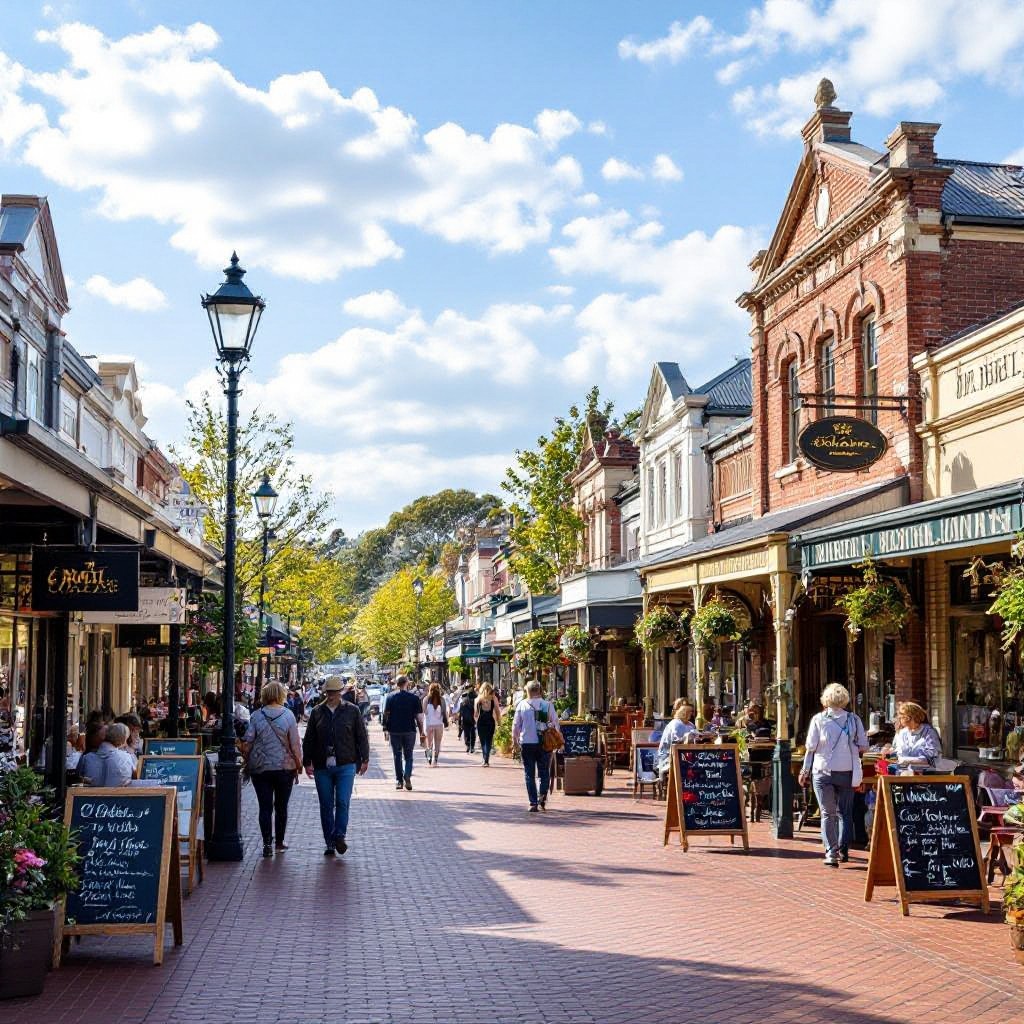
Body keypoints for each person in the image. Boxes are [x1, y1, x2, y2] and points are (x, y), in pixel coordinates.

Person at [799, 683, 868, 867]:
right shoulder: (854, 720)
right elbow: (863, 746)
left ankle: (831, 852)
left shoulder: (818, 719)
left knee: (827, 813)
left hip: (822, 771)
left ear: (825, 700)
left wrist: (804, 770)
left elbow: (810, 748)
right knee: (845, 812)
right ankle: (844, 849)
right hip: (846, 771)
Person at [302, 676, 370, 856]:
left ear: (341, 692)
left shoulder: (352, 711)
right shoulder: (317, 711)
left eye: (334, 692)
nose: (331, 695)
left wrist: (365, 758)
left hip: (346, 763)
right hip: (322, 765)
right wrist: (306, 762)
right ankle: (330, 842)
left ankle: (339, 834)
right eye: (328, 692)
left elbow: (361, 735)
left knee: (342, 801)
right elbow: (309, 738)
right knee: (326, 804)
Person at [241, 682, 304, 858]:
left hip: (260, 768)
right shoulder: (289, 715)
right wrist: (299, 764)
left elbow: (248, 741)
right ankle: (279, 842)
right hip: (284, 767)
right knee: (281, 806)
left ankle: (266, 843)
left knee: (265, 806)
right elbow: (295, 744)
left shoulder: (256, 716)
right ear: (281, 695)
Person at [511, 680, 561, 812]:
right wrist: (557, 739)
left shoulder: (522, 705)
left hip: (527, 743)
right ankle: (542, 798)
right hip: (545, 743)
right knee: (544, 772)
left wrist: (514, 740)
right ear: (539, 690)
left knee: (529, 773)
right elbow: (555, 723)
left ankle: (533, 802)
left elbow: (516, 725)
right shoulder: (548, 705)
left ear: (527, 691)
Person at [382, 675, 425, 791]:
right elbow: (419, 718)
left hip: (394, 730)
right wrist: (422, 732)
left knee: (397, 755)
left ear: (397, 684)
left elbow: (386, 714)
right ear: (406, 683)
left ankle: (399, 780)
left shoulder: (390, 697)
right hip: (409, 730)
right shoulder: (414, 698)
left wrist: (385, 728)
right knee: (409, 755)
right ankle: (407, 775)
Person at [880, 701, 941, 770]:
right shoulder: (903, 733)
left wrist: (907, 761)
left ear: (909, 718)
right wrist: (889, 753)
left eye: (901, 717)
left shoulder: (929, 732)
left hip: (926, 774)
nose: (899, 720)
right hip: (904, 772)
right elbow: (899, 752)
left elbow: (932, 757)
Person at [80, 722, 136, 787]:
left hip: (90, 796)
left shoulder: (86, 758)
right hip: (117, 796)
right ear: (122, 740)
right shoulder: (126, 757)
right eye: (126, 740)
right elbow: (136, 778)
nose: (126, 744)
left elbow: (77, 780)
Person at [656, 701, 697, 785]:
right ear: (684, 713)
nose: (692, 714)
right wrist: (687, 738)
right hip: (668, 756)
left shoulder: (690, 724)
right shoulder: (676, 724)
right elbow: (676, 742)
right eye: (690, 712)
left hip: (684, 753)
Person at [475, 683, 502, 766]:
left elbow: (476, 713)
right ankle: (486, 759)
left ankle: (484, 758)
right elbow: (497, 711)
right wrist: (499, 721)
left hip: (481, 721)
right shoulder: (494, 698)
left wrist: (475, 721)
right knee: (489, 740)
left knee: (483, 741)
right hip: (490, 721)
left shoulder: (478, 699)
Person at [422, 682, 448, 766]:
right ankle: (435, 760)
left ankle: (429, 756)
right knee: (437, 743)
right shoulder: (442, 700)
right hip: (439, 724)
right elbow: (444, 712)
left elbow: (424, 712)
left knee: (429, 743)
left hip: (429, 724)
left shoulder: (426, 699)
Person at [459, 689, 477, 754]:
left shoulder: (462, 703)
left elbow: (460, 715)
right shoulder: (475, 703)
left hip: (465, 721)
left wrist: (460, 723)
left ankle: (468, 745)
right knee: (472, 734)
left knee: (466, 734)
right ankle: (471, 747)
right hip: (472, 720)